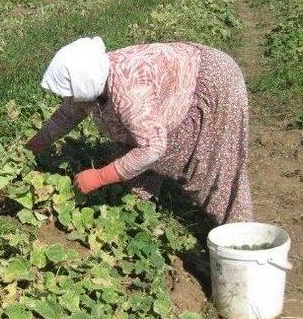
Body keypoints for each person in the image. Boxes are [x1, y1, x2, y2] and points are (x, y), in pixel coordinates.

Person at [25, 37, 253, 225]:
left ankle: (241, 240)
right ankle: (140, 208)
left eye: (69, 91)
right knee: (135, 142)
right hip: (175, 80)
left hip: (214, 81)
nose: (68, 96)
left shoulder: (129, 90)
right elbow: (66, 115)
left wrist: (100, 176)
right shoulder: (90, 80)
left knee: (214, 166)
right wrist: (35, 144)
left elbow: (152, 147)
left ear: (83, 84)